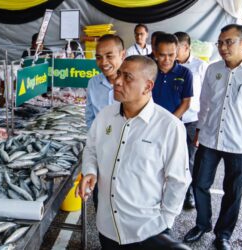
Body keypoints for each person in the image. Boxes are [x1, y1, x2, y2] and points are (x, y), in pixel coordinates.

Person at [77, 55, 191, 250]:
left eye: (128, 77)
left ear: (148, 86)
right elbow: (91, 149)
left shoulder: (169, 127)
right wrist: (90, 171)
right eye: (119, 74)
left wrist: (165, 221)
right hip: (107, 226)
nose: (117, 81)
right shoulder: (105, 116)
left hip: (146, 231)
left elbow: (178, 181)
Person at [183, 24, 242, 250]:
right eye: (220, 43)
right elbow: (205, 103)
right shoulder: (213, 69)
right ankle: (202, 224)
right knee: (200, 183)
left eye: (229, 42)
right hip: (209, 138)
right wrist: (198, 130)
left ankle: (223, 234)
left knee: (233, 191)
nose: (223, 47)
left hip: (240, 143)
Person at [85, 34, 125, 210]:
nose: (103, 62)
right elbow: (90, 117)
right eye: (99, 57)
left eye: (110, 56)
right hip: (102, 154)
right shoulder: (93, 83)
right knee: (101, 204)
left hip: (127, 156)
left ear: (122, 54)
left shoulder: (133, 83)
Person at [174, 31, 208, 209]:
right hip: (173, 119)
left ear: (186, 47)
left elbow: (206, 97)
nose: (172, 52)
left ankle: (190, 195)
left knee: (191, 161)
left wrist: (202, 126)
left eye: (176, 48)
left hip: (192, 120)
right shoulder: (169, 66)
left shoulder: (200, 67)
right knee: (173, 159)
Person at [152, 33, 193, 119]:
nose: (167, 60)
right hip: (149, 122)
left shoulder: (185, 73)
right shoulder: (148, 70)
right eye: (162, 55)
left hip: (174, 123)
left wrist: (170, 122)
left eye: (171, 55)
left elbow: (186, 103)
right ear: (155, 53)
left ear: (177, 52)